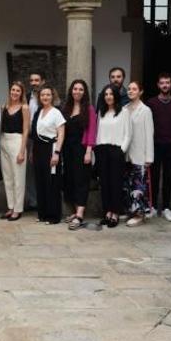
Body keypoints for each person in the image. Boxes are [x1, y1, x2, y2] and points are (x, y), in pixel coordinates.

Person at [61, 79, 97, 230]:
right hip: (67, 150)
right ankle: (76, 211)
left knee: (81, 181)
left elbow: (91, 131)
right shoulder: (66, 108)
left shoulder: (88, 109)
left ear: (85, 92)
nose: (77, 91)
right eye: (75, 89)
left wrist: (89, 151)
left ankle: (80, 214)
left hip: (81, 150)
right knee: (70, 180)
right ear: (71, 91)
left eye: (80, 89)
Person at [95, 85, 131, 228]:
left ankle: (115, 213)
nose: (108, 96)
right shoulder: (101, 112)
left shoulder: (124, 112)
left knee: (116, 183)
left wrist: (121, 150)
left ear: (116, 96)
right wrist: (96, 151)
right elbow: (98, 133)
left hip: (116, 150)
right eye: (106, 94)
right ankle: (107, 212)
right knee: (105, 183)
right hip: (102, 150)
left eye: (111, 94)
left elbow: (128, 134)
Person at [146, 72, 171, 222]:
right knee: (153, 177)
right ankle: (152, 207)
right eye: (162, 83)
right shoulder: (151, 103)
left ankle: (166, 207)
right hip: (155, 145)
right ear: (158, 85)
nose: (165, 85)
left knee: (168, 177)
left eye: (167, 82)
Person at [31, 85, 66, 224]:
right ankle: (42, 213)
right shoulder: (39, 111)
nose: (45, 97)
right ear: (39, 97)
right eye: (42, 95)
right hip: (38, 149)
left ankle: (53, 216)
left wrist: (57, 153)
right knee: (40, 181)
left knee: (51, 182)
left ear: (53, 96)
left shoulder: (56, 112)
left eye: (48, 95)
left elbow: (61, 133)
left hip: (51, 149)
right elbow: (36, 133)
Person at [124, 81, 155, 227]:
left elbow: (150, 134)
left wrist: (149, 157)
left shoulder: (145, 110)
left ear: (140, 92)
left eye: (134, 89)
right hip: (127, 154)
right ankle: (131, 211)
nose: (131, 91)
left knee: (139, 186)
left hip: (140, 154)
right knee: (128, 185)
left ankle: (140, 214)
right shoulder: (124, 109)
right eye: (129, 89)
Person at [0, 81, 30, 221]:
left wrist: (22, 151)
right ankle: (10, 207)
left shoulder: (24, 107)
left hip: (17, 142)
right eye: (13, 90)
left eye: (18, 90)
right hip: (4, 141)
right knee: (8, 177)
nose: (15, 93)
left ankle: (18, 209)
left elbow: (25, 130)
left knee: (18, 178)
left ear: (21, 93)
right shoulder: (4, 107)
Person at [25, 71, 45, 210]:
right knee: (29, 171)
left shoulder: (48, 96)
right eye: (32, 80)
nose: (34, 83)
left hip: (43, 139)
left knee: (43, 169)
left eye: (37, 80)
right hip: (28, 137)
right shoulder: (26, 97)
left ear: (43, 81)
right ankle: (33, 202)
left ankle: (44, 200)